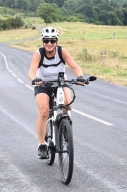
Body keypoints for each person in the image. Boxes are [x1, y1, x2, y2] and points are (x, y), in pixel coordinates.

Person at [28, 27, 86, 159]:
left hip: (60, 83)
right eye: (46, 40)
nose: (49, 43)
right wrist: (34, 79)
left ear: (56, 41)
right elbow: (31, 72)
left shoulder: (62, 52)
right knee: (43, 112)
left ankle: (65, 129)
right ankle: (42, 145)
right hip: (42, 85)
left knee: (67, 105)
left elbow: (75, 67)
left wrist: (80, 76)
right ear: (43, 41)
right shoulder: (38, 54)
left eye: (52, 41)